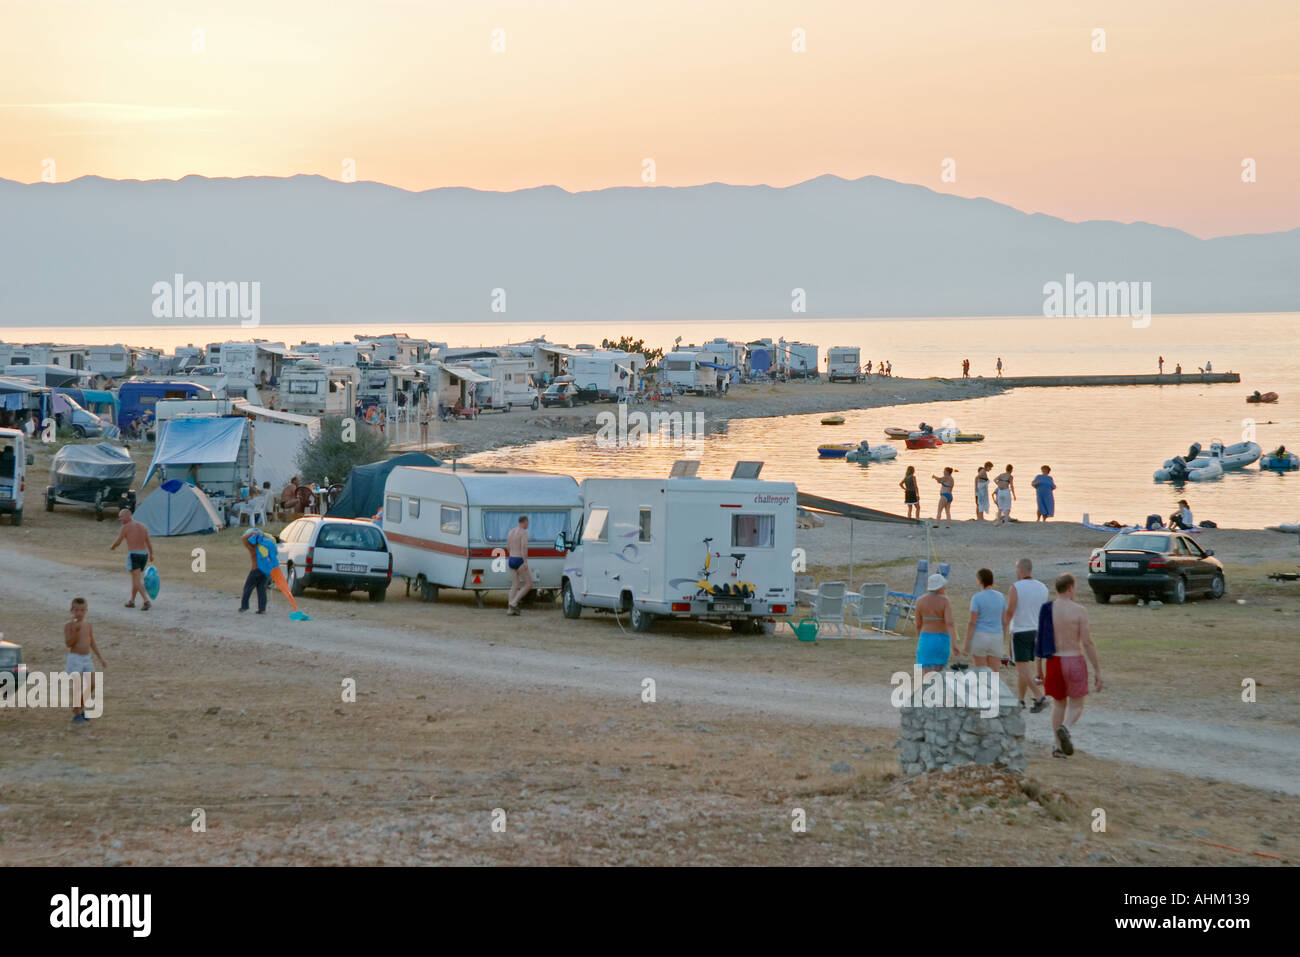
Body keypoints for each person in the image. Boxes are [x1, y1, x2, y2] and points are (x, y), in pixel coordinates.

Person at [1044, 574, 1102, 757]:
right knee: (1077, 704)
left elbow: (1043, 641)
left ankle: (1057, 746)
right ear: (1070, 588)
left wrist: (1038, 667)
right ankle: (1066, 728)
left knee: (1058, 704)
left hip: (1054, 660)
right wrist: (1097, 670)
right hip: (1074, 658)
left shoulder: (1048, 609)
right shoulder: (1079, 611)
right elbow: (1087, 642)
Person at [1004, 559, 1049, 711]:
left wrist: (1003, 627)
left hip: (1020, 629)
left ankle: (1039, 696)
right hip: (1037, 629)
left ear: (1021, 570)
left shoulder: (1015, 587)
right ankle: (1020, 700)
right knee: (1024, 667)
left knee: (1020, 665)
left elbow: (1010, 611)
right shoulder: (1043, 587)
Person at [64, 597, 105, 723]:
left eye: (82, 610)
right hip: (75, 658)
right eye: (76, 610)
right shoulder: (69, 625)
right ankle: (78, 712)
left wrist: (100, 658)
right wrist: (75, 632)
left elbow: (91, 641)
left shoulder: (88, 625)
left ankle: (79, 707)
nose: (79, 613)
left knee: (92, 684)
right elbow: (69, 644)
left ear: (86, 610)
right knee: (78, 686)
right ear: (72, 610)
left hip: (87, 658)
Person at [914, 573, 960, 675]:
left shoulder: (920, 601)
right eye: (943, 585)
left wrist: (919, 638)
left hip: (925, 638)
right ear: (939, 587)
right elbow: (950, 623)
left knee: (926, 675)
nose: (945, 587)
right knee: (939, 675)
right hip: (941, 639)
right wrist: (954, 644)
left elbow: (918, 624)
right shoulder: (944, 601)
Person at [109, 508, 154, 610]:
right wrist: (151, 554)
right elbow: (148, 542)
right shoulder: (143, 526)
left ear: (128, 515)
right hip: (144, 554)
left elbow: (118, 541)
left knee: (137, 580)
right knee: (135, 579)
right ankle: (132, 601)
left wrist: (113, 547)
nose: (120, 519)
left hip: (134, 554)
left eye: (121, 516)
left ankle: (146, 601)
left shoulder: (126, 527)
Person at [965, 568, 1006, 671]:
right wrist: (1002, 639)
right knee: (994, 674)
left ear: (979, 581)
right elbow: (1004, 621)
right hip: (996, 636)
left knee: (981, 673)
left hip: (980, 636)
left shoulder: (977, 597)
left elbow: (972, 622)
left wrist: (967, 643)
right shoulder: (1001, 597)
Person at [240, 526, 273, 613]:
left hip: (256, 570)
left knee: (247, 588)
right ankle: (262, 609)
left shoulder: (253, 548)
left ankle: (244, 607)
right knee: (262, 590)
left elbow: (243, 539)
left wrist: (252, 533)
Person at [505, 515, 533, 615]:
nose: (528, 524)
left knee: (514, 584)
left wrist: (512, 554)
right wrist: (525, 562)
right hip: (519, 559)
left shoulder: (511, 532)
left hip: (511, 558)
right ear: (524, 522)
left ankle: (510, 610)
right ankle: (514, 602)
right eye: (528, 522)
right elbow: (524, 547)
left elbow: (507, 546)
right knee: (529, 583)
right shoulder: (524, 532)